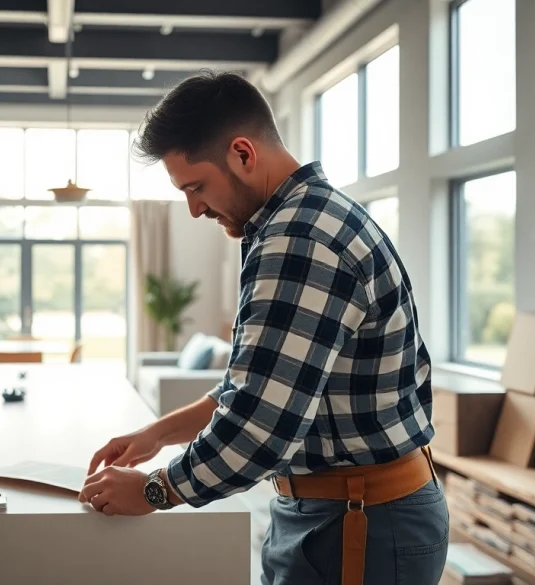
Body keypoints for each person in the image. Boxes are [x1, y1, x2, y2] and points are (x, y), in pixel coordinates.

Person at [79, 71, 449, 585]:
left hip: (362, 520)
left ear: (243, 154)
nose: (194, 208)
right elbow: (255, 387)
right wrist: (156, 434)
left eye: (196, 186)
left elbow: (258, 429)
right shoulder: (304, 221)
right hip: (337, 510)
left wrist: (153, 490)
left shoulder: (300, 239)